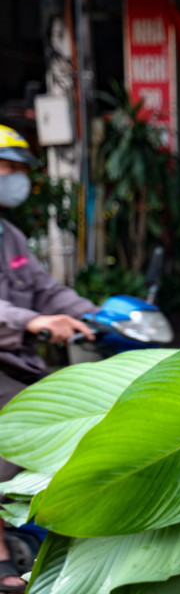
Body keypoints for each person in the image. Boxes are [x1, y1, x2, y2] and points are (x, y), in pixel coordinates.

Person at [0, 124, 98, 593]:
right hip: (7, 359)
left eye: (20, 169)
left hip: (19, 361)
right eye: (9, 167)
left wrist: (97, 314)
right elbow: (22, 308)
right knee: (12, 440)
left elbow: (46, 289)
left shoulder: (10, 235)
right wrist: (32, 323)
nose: (16, 177)